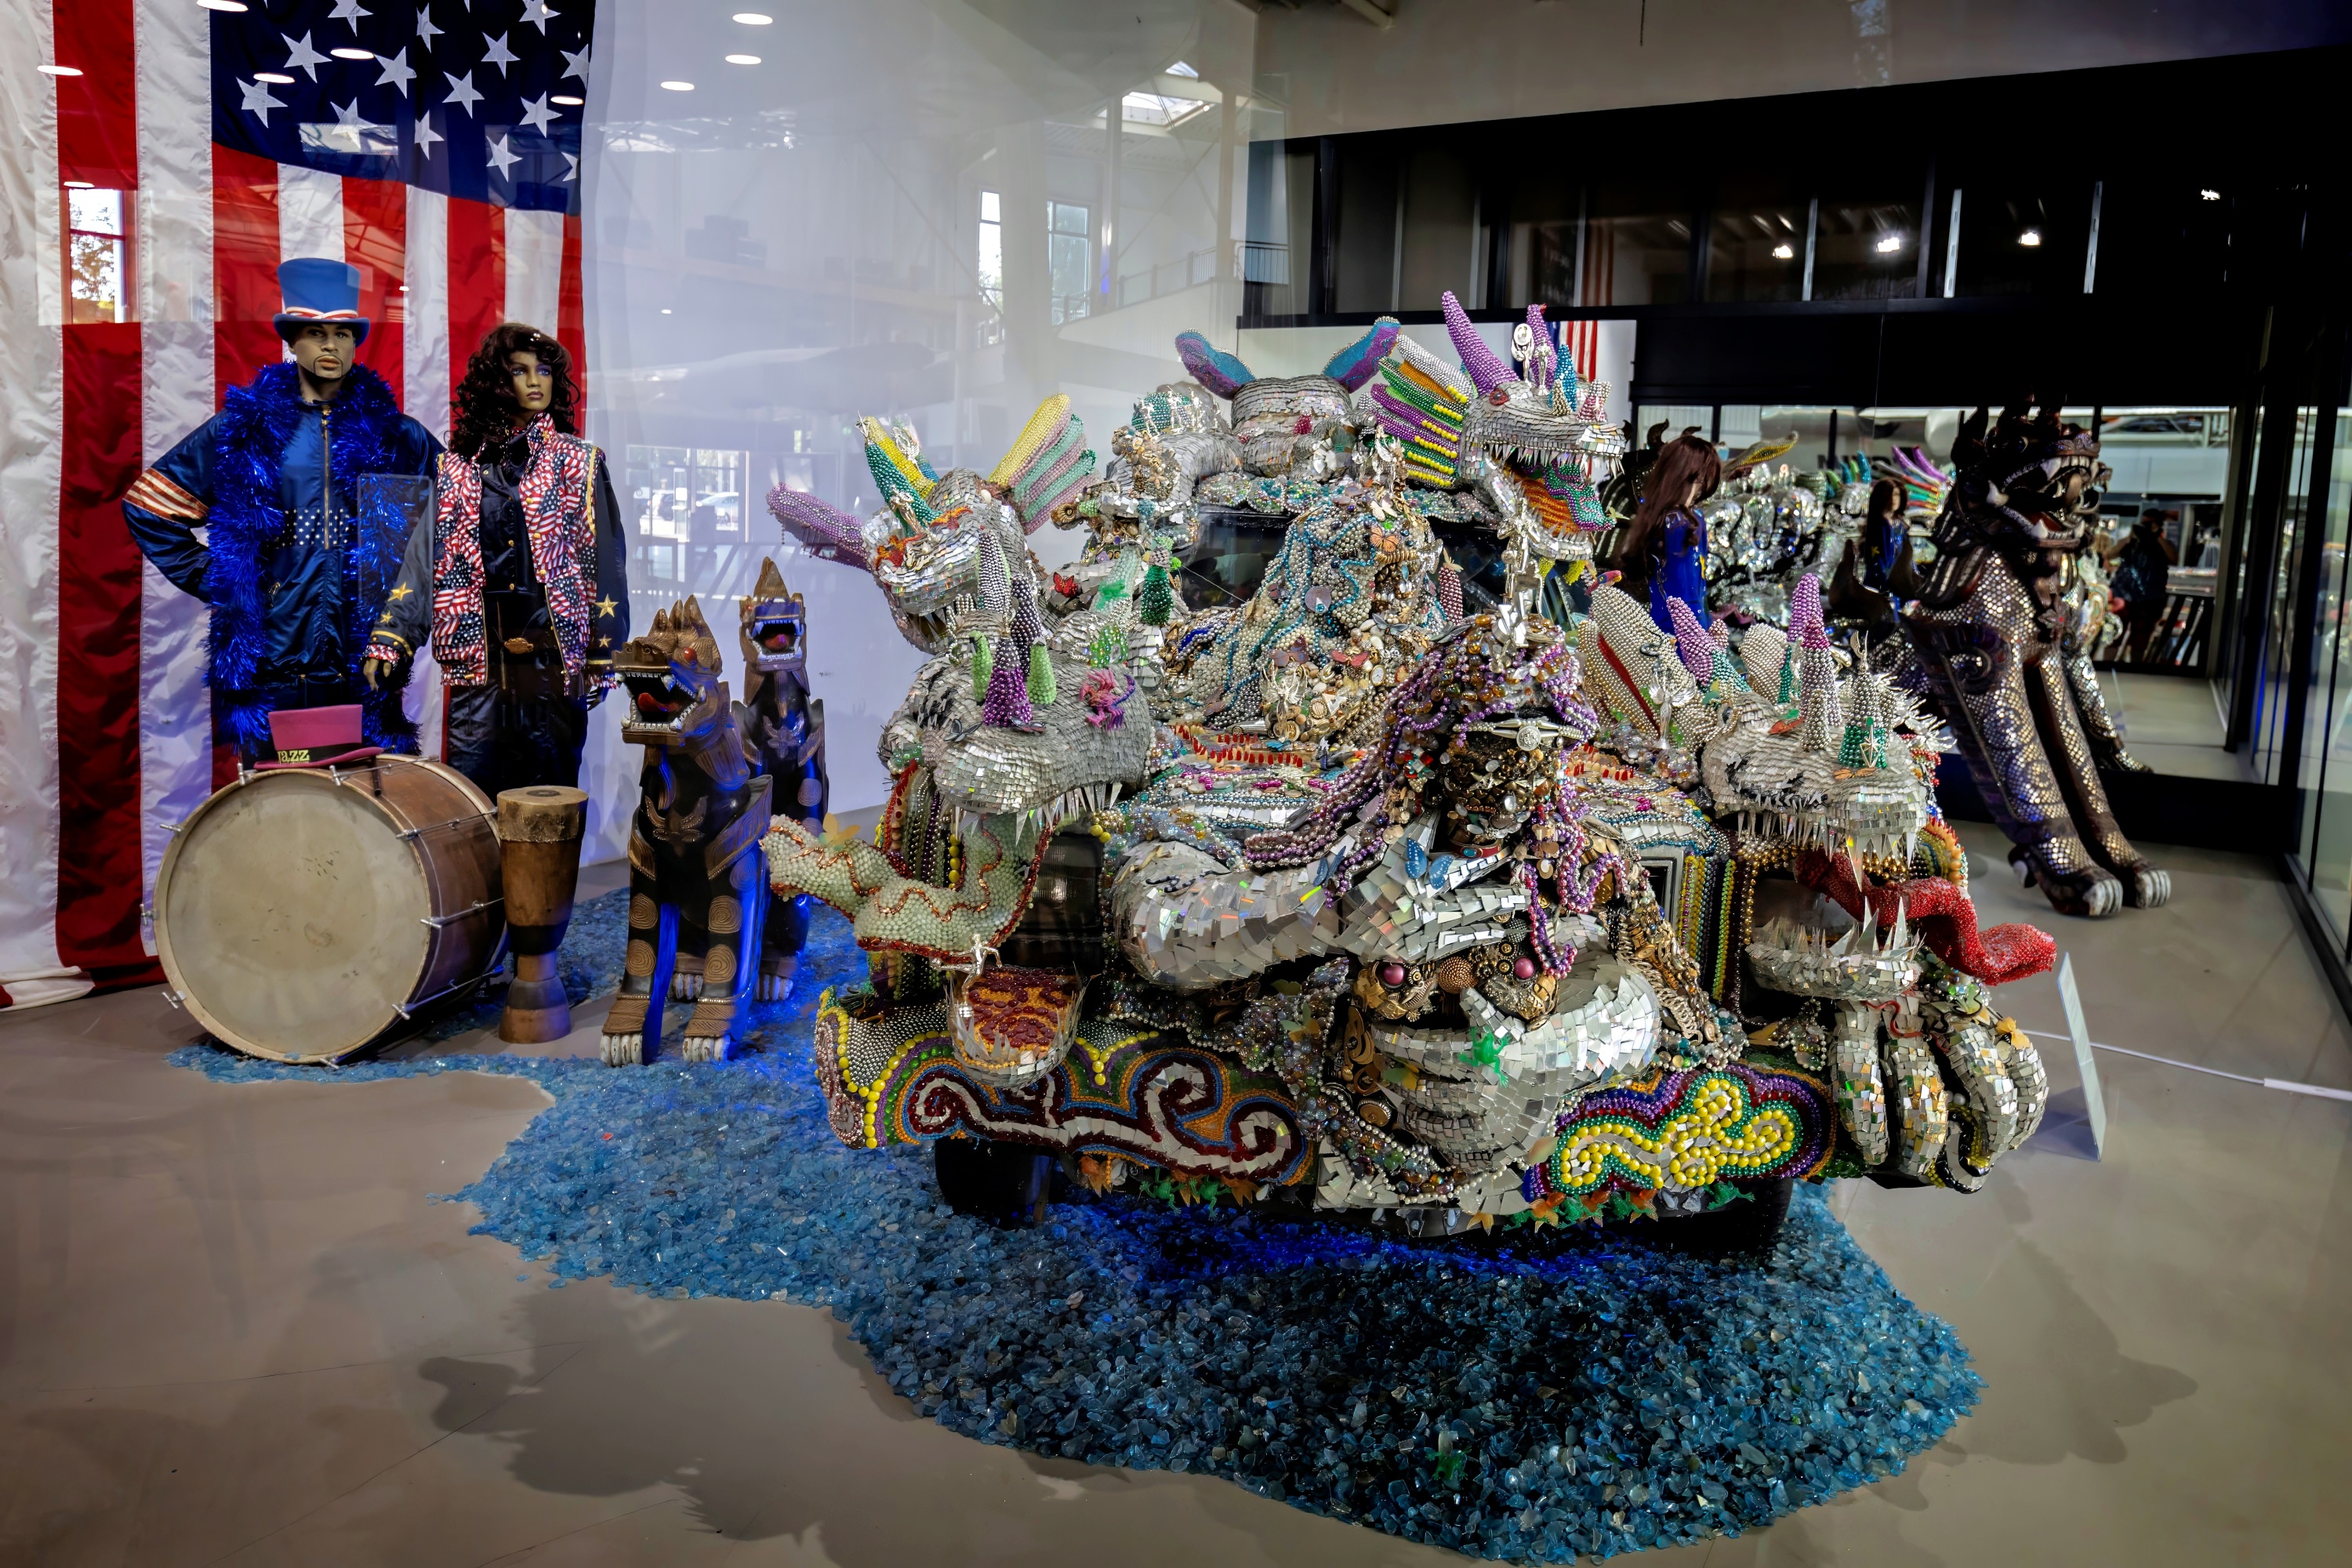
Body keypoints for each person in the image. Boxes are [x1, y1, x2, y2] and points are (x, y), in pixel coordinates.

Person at [123, 258, 441, 760]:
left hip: (366, 653)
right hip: (273, 651)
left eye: (342, 334)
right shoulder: (245, 430)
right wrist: (228, 580)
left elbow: (453, 521)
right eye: (316, 334)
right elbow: (150, 508)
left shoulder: (397, 436)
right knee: (281, 794)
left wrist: (403, 617)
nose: (330, 346)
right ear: (293, 342)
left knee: (368, 791)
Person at [365, 322, 628, 798]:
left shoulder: (579, 464)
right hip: (478, 662)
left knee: (549, 803)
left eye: (544, 370)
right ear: (496, 382)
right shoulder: (457, 468)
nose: (535, 381)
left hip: (551, 664)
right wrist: (393, 636)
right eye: (519, 371)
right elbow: (424, 559)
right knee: (473, 797)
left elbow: (604, 561)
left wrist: (603, 651)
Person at [1613, 433, 1721, 635]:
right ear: (1697, 475)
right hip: (1686, 634)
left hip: (1665, 628)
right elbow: (1688, 594)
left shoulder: (1660, 517)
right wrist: (1702, 637)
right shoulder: (1682, 523)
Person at [2105, 508, 2178, 664]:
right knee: (2114, 634)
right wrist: (2129, 538)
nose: (2145, 526)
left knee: (2140, 639)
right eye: (2143, 523)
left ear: (2158, 524)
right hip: (2124, 595)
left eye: (2149, 523)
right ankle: (2106, 665)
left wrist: (2156, 536)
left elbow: (2173, 558)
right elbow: (2109, 554)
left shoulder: (2162, 544)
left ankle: (2135, 668)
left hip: (2149, 598)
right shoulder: (2132, 541)